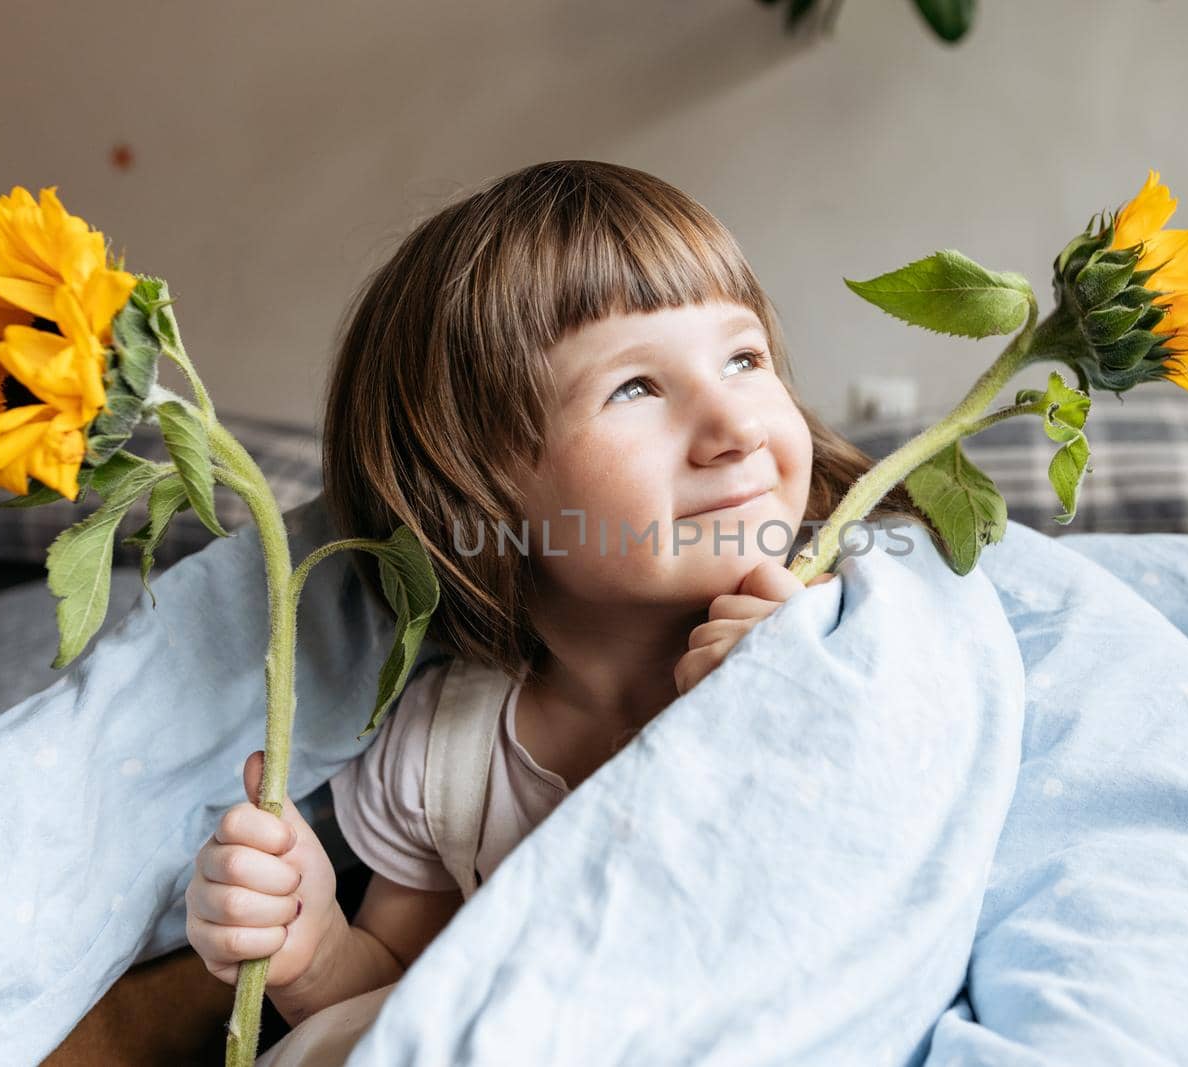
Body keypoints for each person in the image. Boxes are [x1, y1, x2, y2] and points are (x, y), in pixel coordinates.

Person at [183, 160, 944, 1033]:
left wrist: (788, 707)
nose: (736, 427)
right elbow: (402, 993)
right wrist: (311, 952)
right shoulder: (449, 755)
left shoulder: (851, 635)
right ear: (475, 491)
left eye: (743, 357)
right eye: (636, 388)